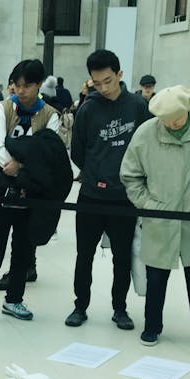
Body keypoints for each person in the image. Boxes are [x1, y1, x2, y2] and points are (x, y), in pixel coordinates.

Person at [120, 85, 190, 357]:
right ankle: (152, 327)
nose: (171, 125)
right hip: (160, 215)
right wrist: (149, 204)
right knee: (156, 276)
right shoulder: (146, 134)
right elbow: (130, 175)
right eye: (166, 120)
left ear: (189, 108)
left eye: (177, 119)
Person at [64, 49, 149, 331]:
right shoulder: (88, 107)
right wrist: (95, 174)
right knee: (83, 254)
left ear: (120, 74)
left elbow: (147, 148)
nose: (103, 88)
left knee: (122, 256)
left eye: (108, 81)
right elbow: (77, 151)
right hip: (91, 195)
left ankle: (120, 308)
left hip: (124, 197)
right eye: (96, 83)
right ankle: (80, 305)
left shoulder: (137, 106)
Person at [0, 58, 59, 323]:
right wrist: (11, 166)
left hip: (32, 189)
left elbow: (48, 152)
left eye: (27, 85)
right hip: (2, 187)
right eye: (16, 85)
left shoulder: (50, 115)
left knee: (23, 248)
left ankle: (14, 299)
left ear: (39, 85)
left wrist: (22, 168)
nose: (21, 91)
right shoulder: (3, 107)